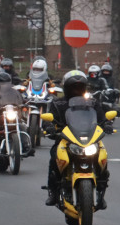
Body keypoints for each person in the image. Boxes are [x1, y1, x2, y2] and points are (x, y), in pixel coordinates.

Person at [43, 70, 114, 209]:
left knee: (102, 157)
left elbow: (102, 117)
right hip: (66, 139)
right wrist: (49, 127)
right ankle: (53, 191)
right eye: (73, 86)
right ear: (67, 87)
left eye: (80, 86)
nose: (76, 89)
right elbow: (49, 118)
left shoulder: (92, 102)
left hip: (90, 138)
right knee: (54, 158)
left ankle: (101, 190)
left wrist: (107, 124)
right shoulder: (58, 103)